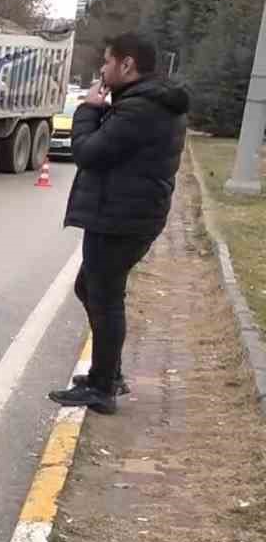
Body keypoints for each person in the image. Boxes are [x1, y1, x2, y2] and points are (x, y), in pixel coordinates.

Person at [48, 33, 189, 414]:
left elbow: (89, 152)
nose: (102, 69)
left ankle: (103, 388)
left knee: (105, 299)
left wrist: (88, 109)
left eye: (107, 62)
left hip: (120, 219)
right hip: (128, 215)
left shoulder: (140, 109)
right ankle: (108, 375)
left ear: (127, 65)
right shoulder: (146, 102)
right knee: (91, 290)